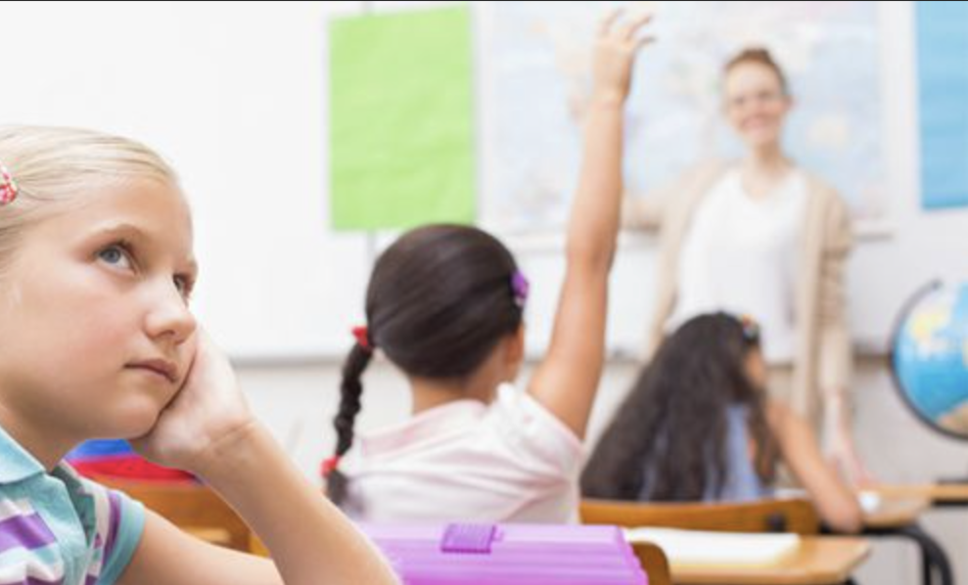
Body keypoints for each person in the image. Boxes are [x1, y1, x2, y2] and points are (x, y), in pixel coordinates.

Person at [0, 126, 396, 585]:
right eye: (117, 255)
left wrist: (232, 445)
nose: (179, 317)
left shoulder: (65, 508)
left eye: (182, 282)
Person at [323, 11, 652, 524]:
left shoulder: (353, 482)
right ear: (515, 344)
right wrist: (608, 98)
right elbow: (589, 261)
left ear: (384, 345)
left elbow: (590, 261)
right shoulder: (530, 447)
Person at [622, 47, 869, 484]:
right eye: (739, 100)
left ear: (787, 103)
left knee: (767, 517)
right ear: (725, 112)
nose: (753, 109)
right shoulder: (698, 185)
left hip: (774, 383)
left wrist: (838, 427)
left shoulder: (819, 202)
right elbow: (630, 211)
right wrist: (599, 120)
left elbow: (831, 320)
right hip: (687, 379)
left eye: (764, 95)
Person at [581, 313, 863, 533]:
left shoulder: (634, 429)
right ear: (744, 361)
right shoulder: (773, 420)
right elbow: (844, 516)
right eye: (758, 353)